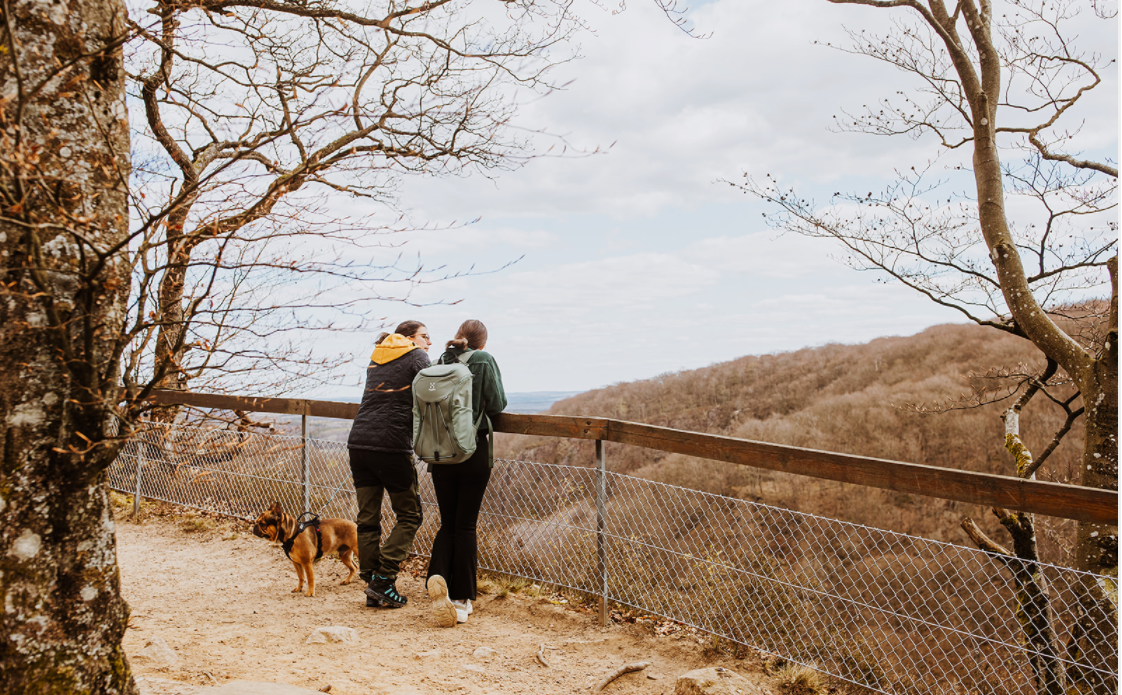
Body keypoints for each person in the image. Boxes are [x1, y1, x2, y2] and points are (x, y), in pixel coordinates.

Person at [425, 319, 507, 627]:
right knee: (466, 526)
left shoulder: (441, 360)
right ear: (482, 343)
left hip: (439, 452)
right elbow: (498, 403)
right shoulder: (483, 360)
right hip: (472, 451)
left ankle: (439, 578)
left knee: (448, 522)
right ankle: (460, 601)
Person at [347, 320, 432, 608]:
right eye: (425, 336)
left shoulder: (377, 357)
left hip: (358, 444)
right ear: (409, 338)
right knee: (410, 515)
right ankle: (383, 579)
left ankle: (372, 581)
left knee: (368, 518)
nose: (429, 342)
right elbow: (434, 390)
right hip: (391, 447)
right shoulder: (415, 355)